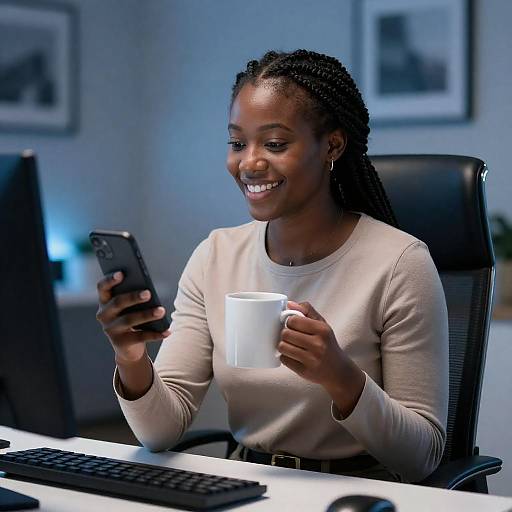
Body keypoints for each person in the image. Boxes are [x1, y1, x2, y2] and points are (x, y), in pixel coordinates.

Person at [95, 49, 448, 483]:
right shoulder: (215, 256)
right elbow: (160, 432)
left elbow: (423, 457)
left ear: (332, 145)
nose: (250, 162)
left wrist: (341, 378)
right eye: (238, 142)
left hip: (357, 495)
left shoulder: (399, 263)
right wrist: (131, 360)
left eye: (275, 144)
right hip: (245, 489)